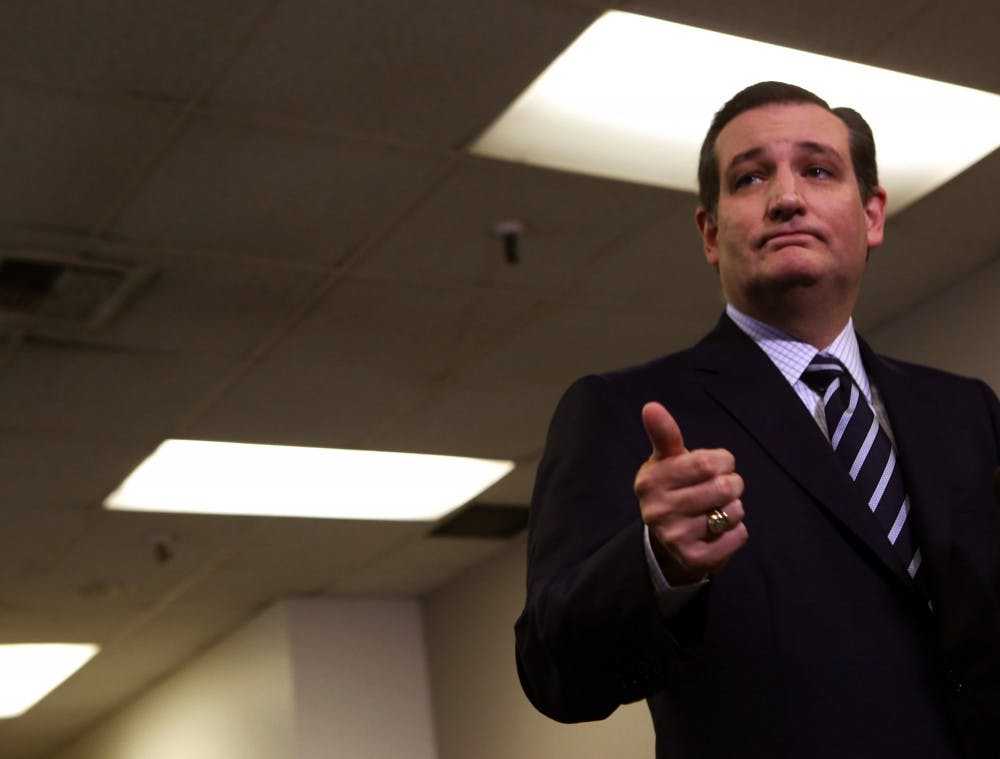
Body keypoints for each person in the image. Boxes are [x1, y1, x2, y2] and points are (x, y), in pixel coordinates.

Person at [515, 81, 1000, 758]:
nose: (787, 197)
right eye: (749, 177)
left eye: (819, 169)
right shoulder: (625, 410)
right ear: (711, 233)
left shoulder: (968, 411)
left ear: (872, 215)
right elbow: (555, 671)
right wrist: (658, 561)